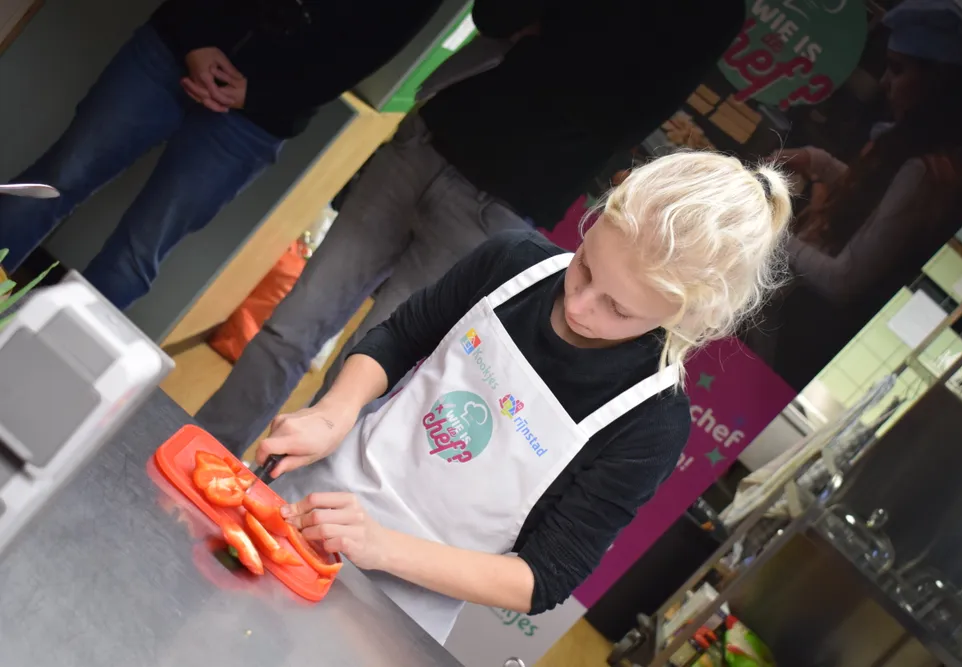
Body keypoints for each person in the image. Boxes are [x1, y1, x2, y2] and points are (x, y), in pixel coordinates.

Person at [254, 152, 792, 642]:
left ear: (688, 316)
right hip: (312, 502)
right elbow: (400, 337)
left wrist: (379, 545)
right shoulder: (512, 261)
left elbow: (541, 578)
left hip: (396, 611)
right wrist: (334, 413)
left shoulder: (651, 422)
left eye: (618, 309)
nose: (579, 306)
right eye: (585, 266)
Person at [195, 0, 748, 455]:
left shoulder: (715, 12)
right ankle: (200, 457)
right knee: (291, 327)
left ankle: (272, 512)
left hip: (504, 198)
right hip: (429, 140)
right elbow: (496, 15)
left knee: (366, 371)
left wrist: (554, 36)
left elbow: (621, 112)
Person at [0, 0, 443, 309]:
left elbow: (363, 53)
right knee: (53, 182)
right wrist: (196, 36)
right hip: (175, 42)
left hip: (258, 116)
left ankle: (45, 369)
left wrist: (260, 94)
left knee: (136, 254)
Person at [749, 0, 962, 390]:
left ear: (938, 83)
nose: (884, 82)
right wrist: (817, 161)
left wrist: (774, 231)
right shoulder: (929, 155)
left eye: (897, 69)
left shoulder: (925, 174)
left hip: (802, 340)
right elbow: (876, 203)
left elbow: (844, 281)